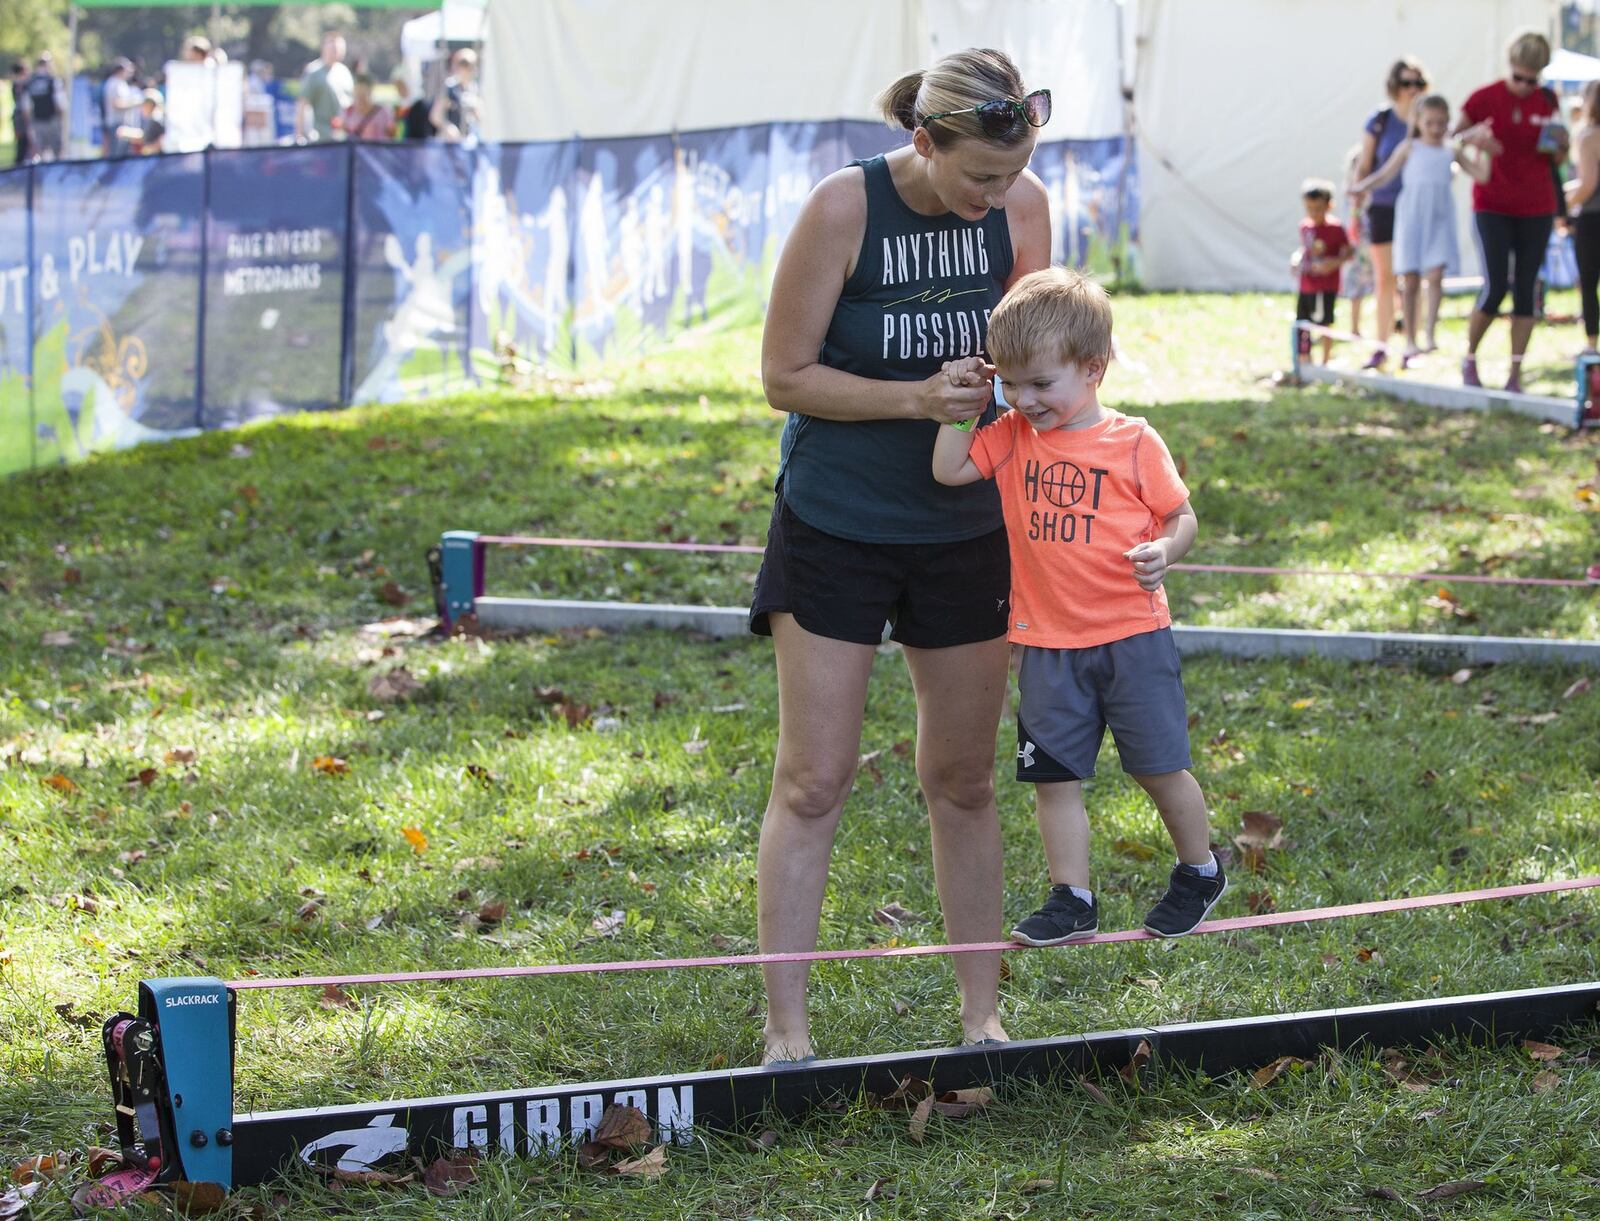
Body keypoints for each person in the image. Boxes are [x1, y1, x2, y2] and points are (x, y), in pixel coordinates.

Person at [751, 48, 1052, 1063]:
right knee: (812, 781)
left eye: (1011, 178)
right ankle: (785, 1033)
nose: (996, 200)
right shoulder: (844, 208)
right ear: (925, 142)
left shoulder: (1022, 208)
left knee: (963, 779)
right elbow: (784, 376)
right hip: (837, 522)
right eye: (979, 178)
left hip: (969, 532)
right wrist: (915, 398)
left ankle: (981, 1015)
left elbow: (1039, 361)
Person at [930, 268, 1224, 947]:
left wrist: (1166, 549)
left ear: (1093, 370)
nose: (1023, 399)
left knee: (1157, 765)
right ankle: (1073, 897)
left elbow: (1183, 516)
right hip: (1045, 642)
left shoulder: (1133, 441)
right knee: (1054, 775)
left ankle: (1200, 868)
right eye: (1010, 382)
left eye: (1040, 383)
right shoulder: (1009, 435)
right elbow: (948, 470)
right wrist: (967, 406)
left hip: (1132, 637)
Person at [1457, 31, 1566, 393]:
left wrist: (1561, 146)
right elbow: (1450, 137)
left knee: (1526, 289)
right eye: (1518, 77)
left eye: (1531, 79)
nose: (1524, 85)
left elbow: (1556, 156)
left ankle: (1515, 374)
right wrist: (1475, 138)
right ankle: (1470, 358)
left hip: (1536, 205)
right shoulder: (1484, 97)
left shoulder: (1548, 100)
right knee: (1496, 284)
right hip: (1493, 204)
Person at [1355, 95, 1490, 364]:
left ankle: (1429, 333)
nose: (1436, 129)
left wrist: (1482, 147)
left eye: (1441, 123)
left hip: (1439, 217)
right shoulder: (1409, 148)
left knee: (1436, 275)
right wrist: (1361, 187)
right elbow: (1385, 174)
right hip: (1412, 217)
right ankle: (1410, 339)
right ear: (1418, 122)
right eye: (1430, 123)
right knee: (1411, 278)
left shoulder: (1450, 150)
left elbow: (1481, 175)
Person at [1352, 58, 1430, 370]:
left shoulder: (1427, 120)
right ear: (1394, 87)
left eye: (1417, 84)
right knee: (1385, 279)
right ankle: (1381, 346)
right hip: (1383, 206)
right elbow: (1366, 166)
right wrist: (1357, 208)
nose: (1412, 90)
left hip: (1416, 207)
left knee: (1413, 278)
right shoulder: (1381, 120)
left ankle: (1412, 345)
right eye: (1406, 83)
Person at [1291, 178, 1352, 365]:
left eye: (1318, 208)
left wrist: (1333, 263)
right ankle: (1304, 359)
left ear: (1329, 206)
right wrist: (1296, 259)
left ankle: (1326, 360)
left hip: (1327, 285)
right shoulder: (1305, 227)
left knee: (1326, 322)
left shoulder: (1336, 228)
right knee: (1303, 323)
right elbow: (1305, 249)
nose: (1313, 213)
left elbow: (1348, 252)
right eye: (1309, 208)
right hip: (1306, 283)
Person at [1567, 80, 1600, 354]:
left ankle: (1591, 344)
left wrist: (1565, 204)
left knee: (1588, 282)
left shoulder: (1589, 137)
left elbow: (1588, 183)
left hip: (1592, 218)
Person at [1340, 145, 1375, 336]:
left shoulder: (1375, 194)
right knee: (1355, 287)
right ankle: (1354, 328)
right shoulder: (1349, 196)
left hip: (1376, 245)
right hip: (1357, 248)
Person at [296, 32, 354, 143]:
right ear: (324, 48)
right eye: (333, 47)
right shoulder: (314, 72)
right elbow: (302, 104)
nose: (335, 51)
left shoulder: (344, 72)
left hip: (343, 135)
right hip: (321, 136)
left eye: (338, 48)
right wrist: (299, 134)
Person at [430, 49, 481, 143]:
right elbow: (435, 116)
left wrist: (475, 106)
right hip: (450, 143)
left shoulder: (475, 89)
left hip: (468, 140)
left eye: (470, 66)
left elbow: (480, 116)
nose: (468, 69)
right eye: (463, 64)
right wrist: (448, 127)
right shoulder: (449, 88)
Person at [24, 52, 66, 162]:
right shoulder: (52, 80)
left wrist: (29, 123)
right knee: (56, 150)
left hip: (37, 119)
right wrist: (61, 118)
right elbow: (60, 103)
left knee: (40, 151)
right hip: (52, 119)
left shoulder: (30, 81)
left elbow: (26, 106)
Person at [339, 72, 394, 142]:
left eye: (363, 95)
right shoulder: (346, 113)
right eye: (357, 94)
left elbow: (391, 138)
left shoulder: (384, 113)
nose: (360, 99)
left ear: (371, 92)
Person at [103, 59, 141, 157]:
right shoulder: (114, 83)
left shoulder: (121, 83)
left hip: (123, 124)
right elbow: (116, 103)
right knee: (116, 155)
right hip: (116, 124)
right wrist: (134, 102)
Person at [10, 62, 32, 167]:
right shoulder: (21, 85)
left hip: (18, 117)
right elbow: (23, 105)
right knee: (23, 143)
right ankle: (19, 167)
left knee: (24, 143)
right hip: (21, 117)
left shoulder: (16, 84)